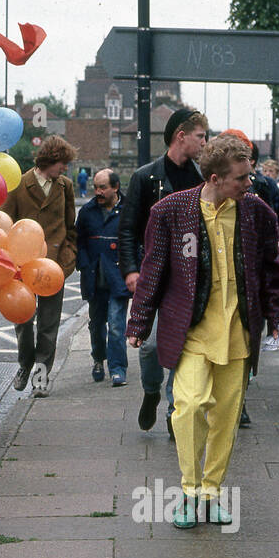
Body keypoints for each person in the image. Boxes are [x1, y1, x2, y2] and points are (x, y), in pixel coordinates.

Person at [126, 135, 279, 527]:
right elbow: (153, 269)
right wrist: (139, 322)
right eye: (242, 179)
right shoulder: (170, 211)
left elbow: (271, 270)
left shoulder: (257, 213)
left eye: (250, 177)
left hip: (237, 332)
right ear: (215, 178)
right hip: (191, 330)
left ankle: (213, 492)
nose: (250, 184)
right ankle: (189, 489)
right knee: (190, 405)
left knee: (227, 416)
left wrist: (276, 316)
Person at [119, 108, 208, 435]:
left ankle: (176, 413)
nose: (204, 143)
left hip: (189, 278)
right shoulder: (146, 177)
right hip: (154, 275)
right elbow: (127, 228)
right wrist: (130, 269)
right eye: (200, 136)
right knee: (151, 346)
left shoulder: (202, 178)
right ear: (180, 136)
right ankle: (152, 390)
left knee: (184, 346)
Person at [1, 135, 78, 398]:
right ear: (50, 160)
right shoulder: (20, 184)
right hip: (22, 266)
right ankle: (24, 365)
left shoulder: (65, 186)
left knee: (49, 324)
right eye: (62, 163)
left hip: (54, 266)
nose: (65, 169)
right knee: (23, 320)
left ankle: (41, 378)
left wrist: (70, 255)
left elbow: (71, 225)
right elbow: (6, 222)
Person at [76, 168, 130, 386]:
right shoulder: (87, 212)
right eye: (95, 187)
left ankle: (118, 369)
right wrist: (84, 263)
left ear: (115, 187)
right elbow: (78, 241)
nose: (97, 191)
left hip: (118, 277)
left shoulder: (128, 211)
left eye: (102, 187)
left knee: (116, 325)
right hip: (94, 278)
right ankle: (98, 359)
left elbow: (136, 242)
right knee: (97, 324)